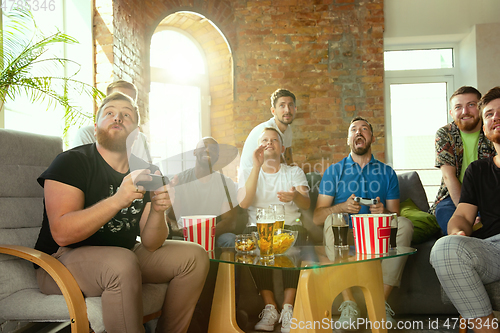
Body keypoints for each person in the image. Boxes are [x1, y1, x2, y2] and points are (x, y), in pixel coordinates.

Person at [34, 91, 209, 333]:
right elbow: (62, 234)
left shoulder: (148, 172)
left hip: (122, 254)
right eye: (110, 113)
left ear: (136, 135)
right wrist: (117, 200)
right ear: (96, 128)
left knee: (195, 257)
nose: (118, 117)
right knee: (121, 262)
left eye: (126, 115)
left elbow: (151, 242)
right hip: (61, 261)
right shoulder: (71, 162)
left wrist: (159, 210)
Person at [313, 116, 413, 329]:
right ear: (348, 139)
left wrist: (382, 211)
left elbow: (395, 216)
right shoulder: (333, 171)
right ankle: (349, 304)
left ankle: (378, 302)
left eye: (364, 129)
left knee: (404, 224)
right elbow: (317, 217)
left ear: (372, 137)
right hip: (345, 233)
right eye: (353, 129)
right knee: (332, 219)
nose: (359, 132)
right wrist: (341, 207)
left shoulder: (387, 172)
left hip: (376, 236)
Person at [430, 86, 500, 333]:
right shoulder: (478, 170)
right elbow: (460, 212)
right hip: (490, 244)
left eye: (472, 105)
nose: (495, 117)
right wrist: (459, 230)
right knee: (445, 246)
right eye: (490, 113)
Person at [238, 127, 310, 332]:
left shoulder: (294, 172)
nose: (269, 143)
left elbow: (305, 204)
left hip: (290, 226)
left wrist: (295, 196)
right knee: (256, 241)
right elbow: (244, 203)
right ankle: (271, 307)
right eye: (265, 140)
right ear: (258, 147)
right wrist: (255, 166)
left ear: (282, 148)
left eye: (274, 140)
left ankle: (288, 308)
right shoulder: (248, 172)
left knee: (295, 236)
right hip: (258, 227)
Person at [429, 86, 495, 235]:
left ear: (481, 108)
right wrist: (466, 213)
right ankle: (458, 238)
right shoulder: (445, 133)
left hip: (486, 195)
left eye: (471, 105)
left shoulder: (491, 130)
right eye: (458, 107)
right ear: (452, 113)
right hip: (452, 197)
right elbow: (448, 176)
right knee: (447, 214)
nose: (465, 111)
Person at [167, 136, 238, 247]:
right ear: (195, 152)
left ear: (217, 156)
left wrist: (204, 233)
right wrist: (189, 232)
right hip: (186, 234)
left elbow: (229, 220)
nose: (208, 150)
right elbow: (172, 218)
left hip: (214, 233)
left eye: (213, 148)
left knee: (230, 240)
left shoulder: (226, 183)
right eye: (203, 146)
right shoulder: (180, 180)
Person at [71, 80, 150, 161]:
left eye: (129, 100)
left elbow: (148, 170)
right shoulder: (86, 134)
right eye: (117, 98)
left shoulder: (141, 139)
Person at [240, 88, 297, 170]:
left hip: (269, 173)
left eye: (290, 105)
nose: (287, 110)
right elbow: (274, 161)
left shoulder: (288, 129)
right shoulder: (267, 130)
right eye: (282, 106)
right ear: (273, 111)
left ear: (295, 109)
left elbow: (288, 158)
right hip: (254, 177)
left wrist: (295, 172)